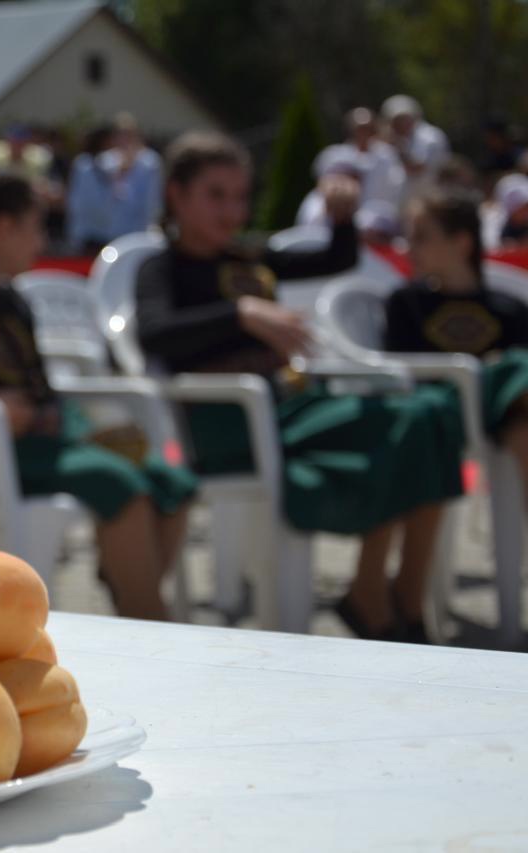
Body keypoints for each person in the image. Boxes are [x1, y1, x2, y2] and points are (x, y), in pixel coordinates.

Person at [135, 131, 465, 642]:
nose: (231, 210)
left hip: (291, 408)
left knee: (431, 412)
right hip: (233, 424)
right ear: (176, 195)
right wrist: (241, 313)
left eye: (240, 196)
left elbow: (336, 258)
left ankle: (394, 590)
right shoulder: (164, 266)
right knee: (412, 420)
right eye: (215, 195)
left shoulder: (248, 256)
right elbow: (154, 332)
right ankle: (376, 598)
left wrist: (341, 215)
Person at [0, 172, 197, 620]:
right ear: (1, 229)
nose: (42, 239)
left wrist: (52, 412)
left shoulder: (13, 300)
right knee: (117, 483)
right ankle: (150, 616)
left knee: (172, 482)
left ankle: (131, 590)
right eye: (35, 226)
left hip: (33, 449)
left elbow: (37, 383)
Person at [384, 188, 528, 517]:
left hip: (504, 418)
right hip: (438, 413)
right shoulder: (406, 304)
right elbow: (401, 373)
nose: (409, 248)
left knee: (524, 430)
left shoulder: (510, 309)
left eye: (422, 237)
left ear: (461, 242)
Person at [67, 114, 162, 253]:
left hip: (135, 236)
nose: (124, 141)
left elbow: (151, 203)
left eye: (129, 135)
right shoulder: (103, 161)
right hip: (102, 236)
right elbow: (88, 201)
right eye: (120, 135)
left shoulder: (150, 163)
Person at [312, 108, 405, 214]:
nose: (364, 133)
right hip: (342, 216)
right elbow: (323, 185)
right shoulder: (333, 155)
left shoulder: (387, 154)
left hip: (378, 217)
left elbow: (397, 184)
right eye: (360, 128)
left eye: (368, 128)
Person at [381, 95, 450, 194]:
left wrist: (398, 148)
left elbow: (418, 168)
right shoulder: (406, 138)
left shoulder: (429, 137)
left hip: (432, 195)